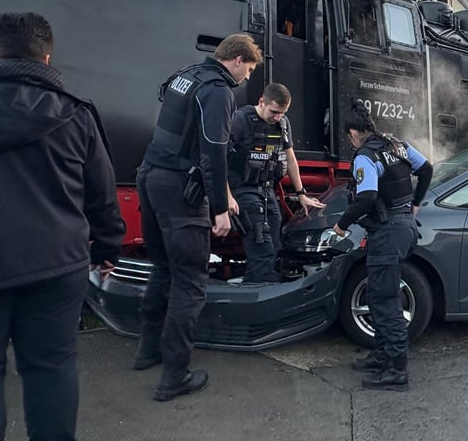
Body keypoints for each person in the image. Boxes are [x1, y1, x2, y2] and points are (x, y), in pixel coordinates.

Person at [0, 12, 125, 441]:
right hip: (57, 265)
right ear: (46, 56)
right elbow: (102, 196)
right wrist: (106, 248)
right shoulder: (77, 116)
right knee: (52, 366)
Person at [133, 33, 262, 402]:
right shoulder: (220, 91)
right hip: (179, 190)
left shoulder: (185, 75)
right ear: (236, 60)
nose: (248, 78)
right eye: (249, 69)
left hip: (150, 176)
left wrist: (225, 196)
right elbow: (213, 152)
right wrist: (220, 206)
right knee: (190, 282)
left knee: (162, 268)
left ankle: (147, 351)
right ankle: (174, 376)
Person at [332, 101, 432, 391]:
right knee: (379, 294)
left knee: (385, 300)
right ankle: (382, 355)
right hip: (404, 228)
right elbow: (426, 169)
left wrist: (341, 225)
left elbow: (366, 198)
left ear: (352, 133)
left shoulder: (365, 156)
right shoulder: (396, 144)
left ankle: (396, 370)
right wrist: (414, 204)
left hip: (388, 232)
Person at [228, 83, 325, 283]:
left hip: (267, 191)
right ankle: (261, 297)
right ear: (261, 102)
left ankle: (254, 289)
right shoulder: (240, 120)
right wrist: (226, 197)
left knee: (273, 250)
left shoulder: (283, 123)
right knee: (261, 249)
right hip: (244, 190)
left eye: (282, 113)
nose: (277, 117)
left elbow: (290, 159)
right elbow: (219, 159)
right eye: (274, 112)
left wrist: (301, 194)